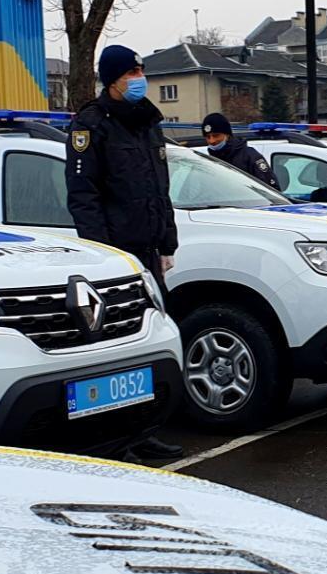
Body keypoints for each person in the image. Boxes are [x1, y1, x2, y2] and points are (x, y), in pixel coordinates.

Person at [67, 44, 182, 463]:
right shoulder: (91, 126)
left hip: (149, 254)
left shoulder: (148, 122)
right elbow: (84, 197)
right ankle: (115, 441)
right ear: (112, 78)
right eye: (131, 71)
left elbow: (160, 189)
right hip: (117, 257)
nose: (139, 77)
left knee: (150, 349)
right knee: (119, 354)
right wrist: (104, 257)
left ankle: (144, 431)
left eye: (140, 70)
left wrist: (166, 243)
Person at [202, 112, 276, 187]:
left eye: (216, 135)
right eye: (208, 137)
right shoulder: (207, 161)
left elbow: (271, 190)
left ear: (227, 135)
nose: (212, 140)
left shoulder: (249, 156)